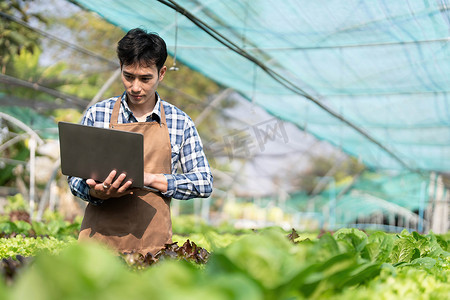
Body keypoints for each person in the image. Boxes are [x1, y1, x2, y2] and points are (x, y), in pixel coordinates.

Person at [68, 28, 213, 255]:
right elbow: (74, 178)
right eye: (129, 76)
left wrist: (152, 179)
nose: (136, 87)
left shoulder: (180, 122)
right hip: (97, 249)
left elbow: (204, 182)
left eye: (145, 78)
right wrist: (97, 193)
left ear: (161, 73)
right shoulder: (97, 114)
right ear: (120, 68)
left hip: (152, 247)